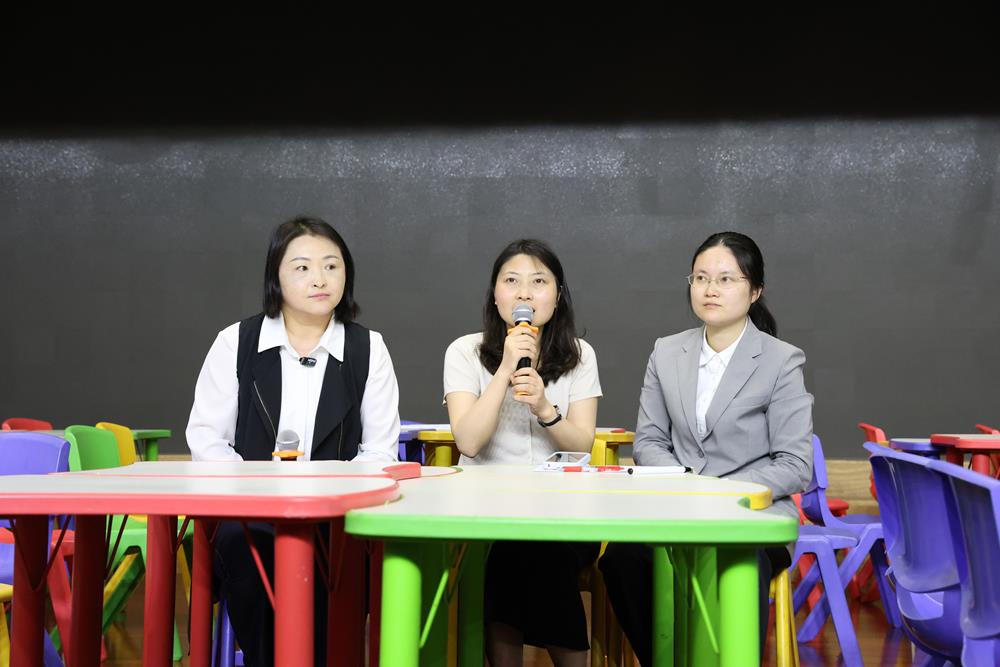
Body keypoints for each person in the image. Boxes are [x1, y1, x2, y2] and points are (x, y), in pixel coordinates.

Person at [186, 215, 400, 666]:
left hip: (338, 519)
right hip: (251, 516)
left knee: (353, 557)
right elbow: (207, 439)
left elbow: (379, 451)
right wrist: (255, 491)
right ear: (276, 277)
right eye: (302, 267)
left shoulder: (368, 348)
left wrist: (329, 497)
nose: (319, 279)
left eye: (331, 266)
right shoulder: (236, 342)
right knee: (245, 548)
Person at [599, 231, 813, 666]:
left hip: (750, 515)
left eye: (726, 279)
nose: (710, 289)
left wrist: (715, 492)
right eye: (700, 278)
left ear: (755, 290)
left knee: (738, 566)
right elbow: (650, 441)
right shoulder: (666, 352)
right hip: (676, 509)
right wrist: (687, 489)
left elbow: (794, 465)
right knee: (621, 558)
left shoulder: (781, 360)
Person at [443, 239, 602, 667]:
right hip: (484, 512)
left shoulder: (580, 356)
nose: (525, 294)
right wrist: (504, 370)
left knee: (529, 549)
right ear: (495, 296)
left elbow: (582, 446)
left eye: (539, 282)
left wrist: (546, 409)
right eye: (511, 281)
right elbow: (468, 442)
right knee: (513, 546)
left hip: (565, 516)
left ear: (558, 295)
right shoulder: (464, 352)